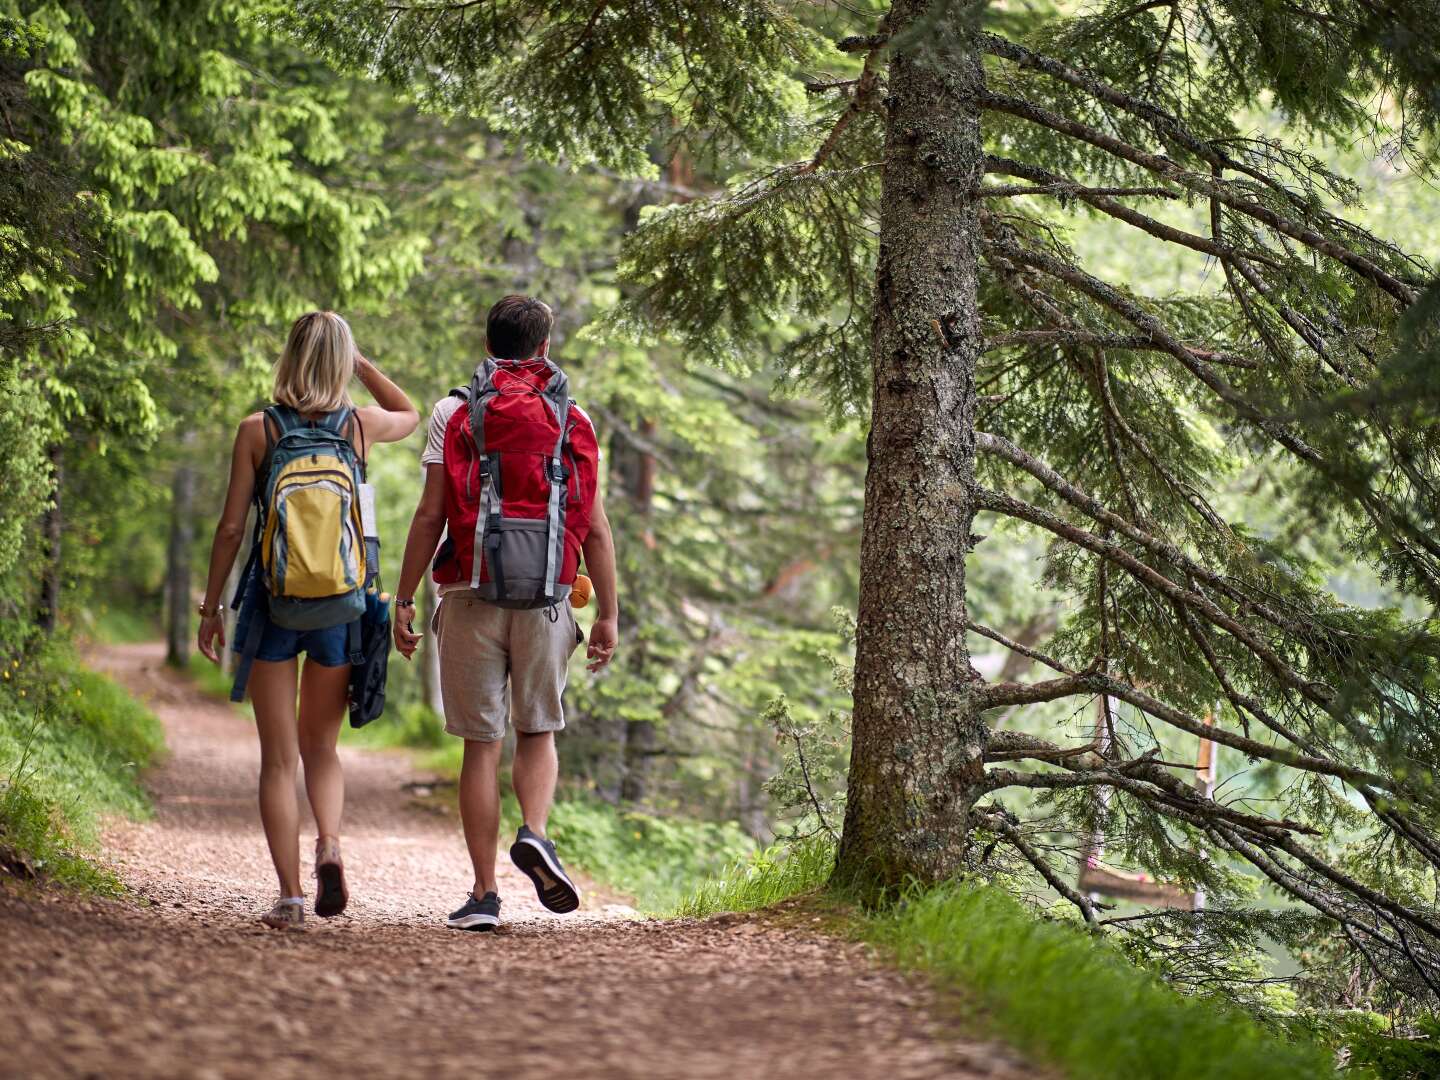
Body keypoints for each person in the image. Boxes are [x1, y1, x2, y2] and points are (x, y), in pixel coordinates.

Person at [392, 295, 618, 932]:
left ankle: (485, 894)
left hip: (467, 594)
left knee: (479, 746)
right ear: (544, 349)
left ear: (487, 344)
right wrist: (607, 614)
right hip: (547, 596)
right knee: (537, 730)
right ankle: (537, 834)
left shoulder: (453, 412)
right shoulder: (572, 415)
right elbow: (595, 527)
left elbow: (431, 513)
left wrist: (403, 597)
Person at [197, 311, 419, 930]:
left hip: (273, 605)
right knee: (322, 747)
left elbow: (232, 528)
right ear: (341, 362)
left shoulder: (257, 430)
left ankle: (291, 899)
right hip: (341, 607)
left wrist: (212, 608)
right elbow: (410, 412)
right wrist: (362, 365)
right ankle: (329, 843)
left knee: (277, 760)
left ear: (288, 358)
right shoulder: (359, 426)